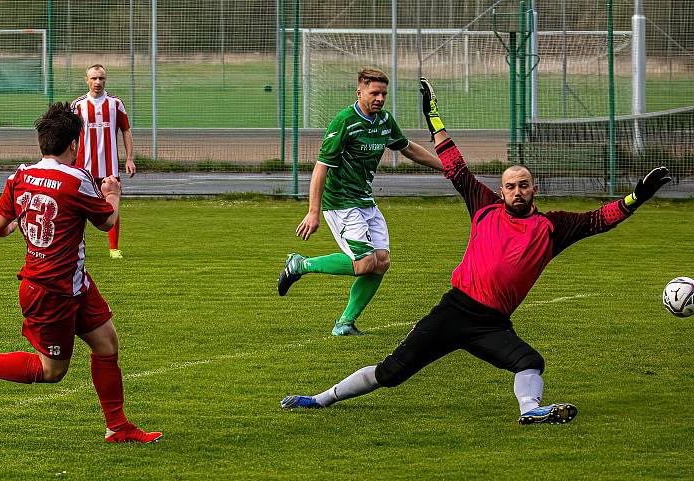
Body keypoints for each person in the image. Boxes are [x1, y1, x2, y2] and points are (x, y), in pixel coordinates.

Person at [280, 78, 671, 424]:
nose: (518, 191)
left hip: (492, 325)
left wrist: (637, 196)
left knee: (530, 361)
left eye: (525, 184)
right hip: (454, 311)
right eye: (511, 186)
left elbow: (601, 218)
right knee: (390, 373)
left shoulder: (553, 227)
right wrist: (433, 115)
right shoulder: (484, 204)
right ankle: (319, 399)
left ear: (535, 189)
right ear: (501, 191)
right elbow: (454, 165)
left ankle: (531, 410)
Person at [0, 103, 161, 443]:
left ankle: (118, 427)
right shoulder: (76, 179)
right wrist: (113, 194)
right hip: (50, 289)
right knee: (52, 371)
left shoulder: (19, 175)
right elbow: (107, 220)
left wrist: (23, 221)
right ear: (74, 145)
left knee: (106, 343)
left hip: (73, 281)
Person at [277, 67, 439, 336]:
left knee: (382, 262)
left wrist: (443, 166)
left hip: (365, 202)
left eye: (383, 93)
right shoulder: (345, 121)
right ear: (360, 91)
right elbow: (321, 167)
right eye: (374, 92)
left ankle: (345, 323)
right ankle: (300, 264)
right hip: (340, 203)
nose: (379, 98)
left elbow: (407, 147)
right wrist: (313, 212)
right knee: (364, 264)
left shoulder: (385, 120)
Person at [71, 64, 135, 259]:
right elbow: (70, 136)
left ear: (105, 80)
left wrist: (129, 158)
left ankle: (114, 249)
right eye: (93, 78)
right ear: (87, 80)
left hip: (110, 167)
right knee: (76, 210)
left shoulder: (115, 103)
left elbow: (126, 130)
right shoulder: (78, 105)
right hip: (83, 168)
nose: (97, 82)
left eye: (101, 78)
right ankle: (74, 247)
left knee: (112, 207)